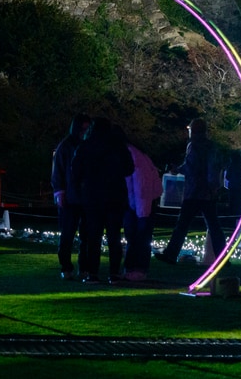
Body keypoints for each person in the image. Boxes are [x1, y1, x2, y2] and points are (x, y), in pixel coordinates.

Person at [155, 117, 226, 264]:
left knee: (182, 225)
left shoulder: (193, 146)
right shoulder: (211, 146)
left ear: (193, 131)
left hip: (194, 192)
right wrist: (214, 186)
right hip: (208, 193)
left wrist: (177, 169)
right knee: (214, 227)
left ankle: (171, 254)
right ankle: (222, 257)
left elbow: (191, 166)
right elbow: (214, 167)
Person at [70, 117, 133, 283]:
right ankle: (114, 273)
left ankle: (93, 273)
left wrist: (79, 191)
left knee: (93, 237)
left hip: (92, 197)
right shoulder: (118, 146)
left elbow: (75, 172)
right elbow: (129, 168)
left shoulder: (85, 146)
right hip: (115, 196)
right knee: (114, 237)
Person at [51, 114, 91, 280]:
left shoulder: (87, 145)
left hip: (85, 197)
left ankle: (84, 267)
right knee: (67, 234)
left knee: (86, 236)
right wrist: (60, 191)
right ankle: (66, 266)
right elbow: (58, 171)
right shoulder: (66, 146)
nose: (85, 131)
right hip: (70, 198)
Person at [122, 131, 163, 281]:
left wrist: (141, 210)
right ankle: (136, 268)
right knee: (137, 237)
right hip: (139, 203)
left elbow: (141, 186)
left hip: (139, 204)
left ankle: (137, 268)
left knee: (138, 237)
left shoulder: (131, 155)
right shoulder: (136, 154)